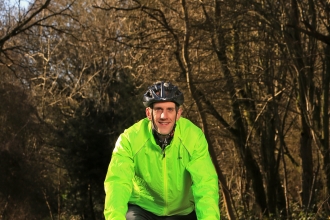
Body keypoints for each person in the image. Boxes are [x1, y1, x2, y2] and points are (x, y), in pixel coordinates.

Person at [104, 81, 220, 220]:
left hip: (182, 212)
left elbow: (205, 184)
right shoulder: (129, 139)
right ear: (148, 113)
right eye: (158, 109)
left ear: (178, 114)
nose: (164, 116)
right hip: (143, 209)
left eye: (170, 109)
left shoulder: (193, 137)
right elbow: (117, 183)